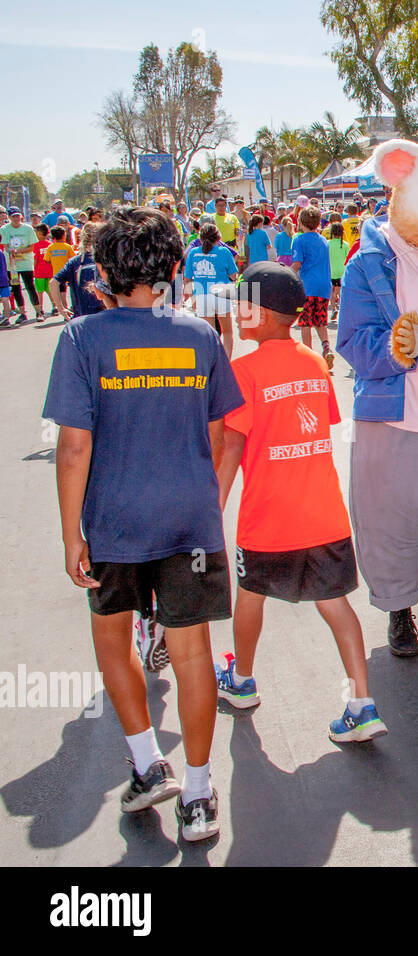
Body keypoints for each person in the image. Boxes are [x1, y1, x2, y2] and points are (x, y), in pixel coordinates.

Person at [42, 206, 244, 842]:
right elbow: (219, 436)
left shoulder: (82, 338)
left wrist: (72, 532)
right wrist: (198, 503)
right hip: (190, 522)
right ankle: (202, 795)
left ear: (101, 270)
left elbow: (74, 446)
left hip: (113, 524)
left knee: (115, 645)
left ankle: (146, 764)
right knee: (192, 657)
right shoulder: (201, 337)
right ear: (177, 268)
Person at [210, 262, 386, 742]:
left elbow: (231, 448)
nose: (234, 312)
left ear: (263, 315)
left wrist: (211, 510)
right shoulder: (314, 363)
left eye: (241, 304)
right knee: (336, 605)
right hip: (324, 517)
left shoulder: (241, 373)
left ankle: (241, 681)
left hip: (267, 520)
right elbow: (323, 420)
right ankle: (362, 704)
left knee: (250, 598)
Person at [184, 224, 239, 358]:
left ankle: (213, 363)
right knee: (227, 333)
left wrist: (192, 299)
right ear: (218, 237)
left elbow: (187, 279)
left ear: (200, 238)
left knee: (210, 334)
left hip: (201, 295)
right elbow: (234, 276)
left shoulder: (193, 253)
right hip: (221, 294)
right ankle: (226, 363)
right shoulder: (224, 252)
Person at [290, 205, 334, 369]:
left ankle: (308, 356)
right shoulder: (323, 240)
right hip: (324, 286)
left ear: (301, 222)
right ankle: (326, 348)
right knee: (320, 321)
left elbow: (297, 263)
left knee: (306, 323)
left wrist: (285, 274)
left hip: (307, 286)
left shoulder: (299, 240)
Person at [48, 223, 103, 320]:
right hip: (106, 315)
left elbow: (53, 283)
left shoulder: (75, 262)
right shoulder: (108, 260)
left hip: (82, 317)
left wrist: (61, 308)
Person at [2, 207, 39, 322]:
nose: (16, 218)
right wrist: (11, 251)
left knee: (30, 287)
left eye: (18, 216)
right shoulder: (4, 229)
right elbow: (5, 245)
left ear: (21, 216)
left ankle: (38, 311)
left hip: (26, 263)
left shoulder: (28, 229)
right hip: (12, 265)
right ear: (9, 217)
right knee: (16, 288)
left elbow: (32, 247)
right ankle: (22, 313)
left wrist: (20, 251)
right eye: (13, 216)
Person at [327, 221, 348, 322]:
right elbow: (347, 259)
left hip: (331, 271)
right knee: (340, 290)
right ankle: (339, 304)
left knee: (332, 291)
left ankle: (333, 308)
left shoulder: (327, 244)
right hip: (342, 271)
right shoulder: (345, 245)